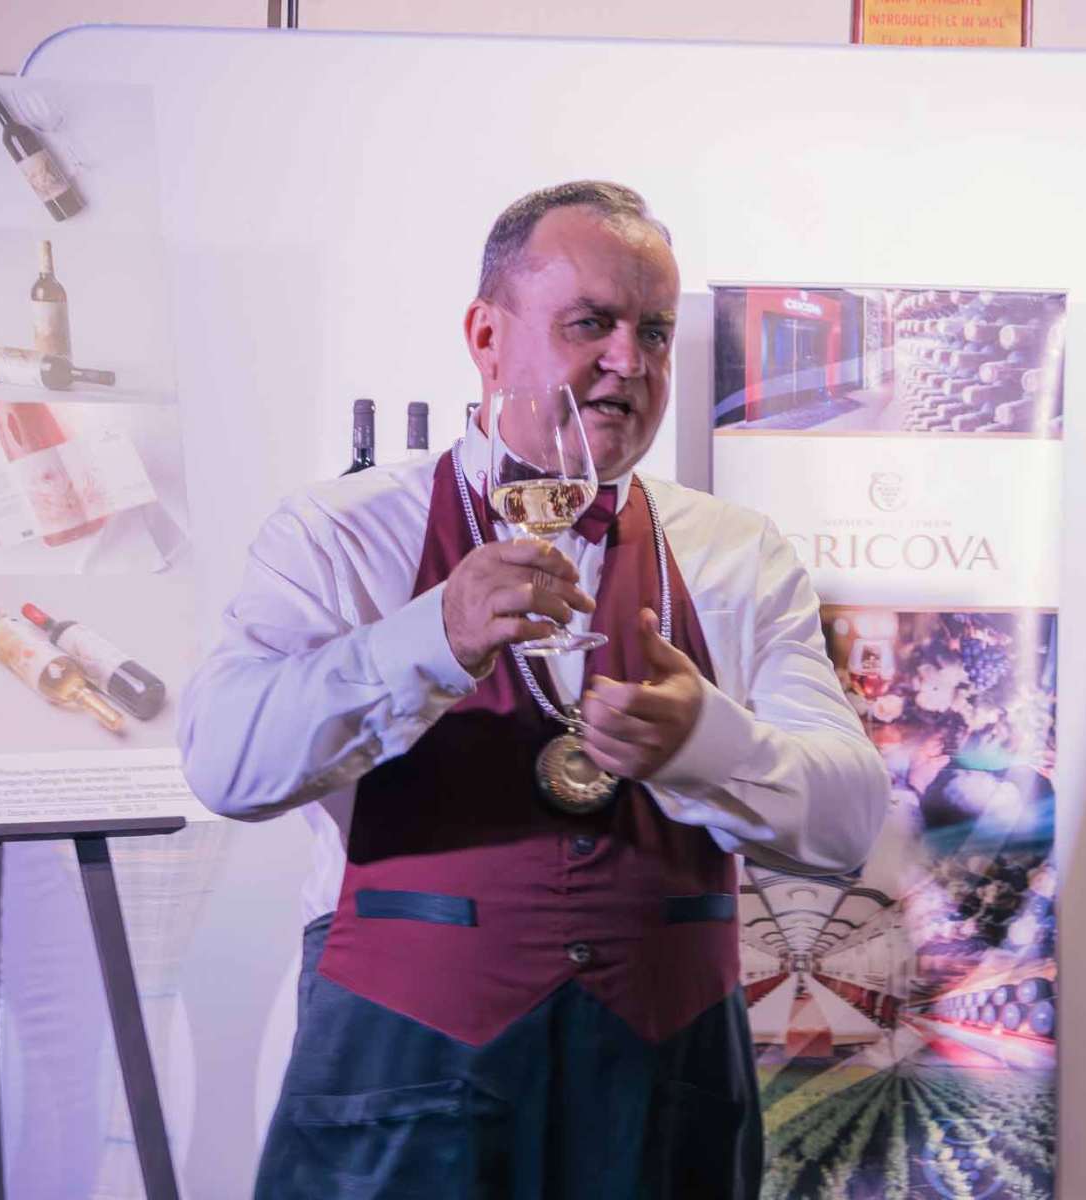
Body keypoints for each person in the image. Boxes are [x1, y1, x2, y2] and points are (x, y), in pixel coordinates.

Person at [178, 181, 889, 1199]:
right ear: (485, 336)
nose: (629, 361)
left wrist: (709, 746)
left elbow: (849, 824)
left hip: (665, 1096)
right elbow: (224, 765)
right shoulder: (337, 535)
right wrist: (429, 639)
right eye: (590, 323)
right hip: (402, 1086)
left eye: (653, 331)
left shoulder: (737, 554)